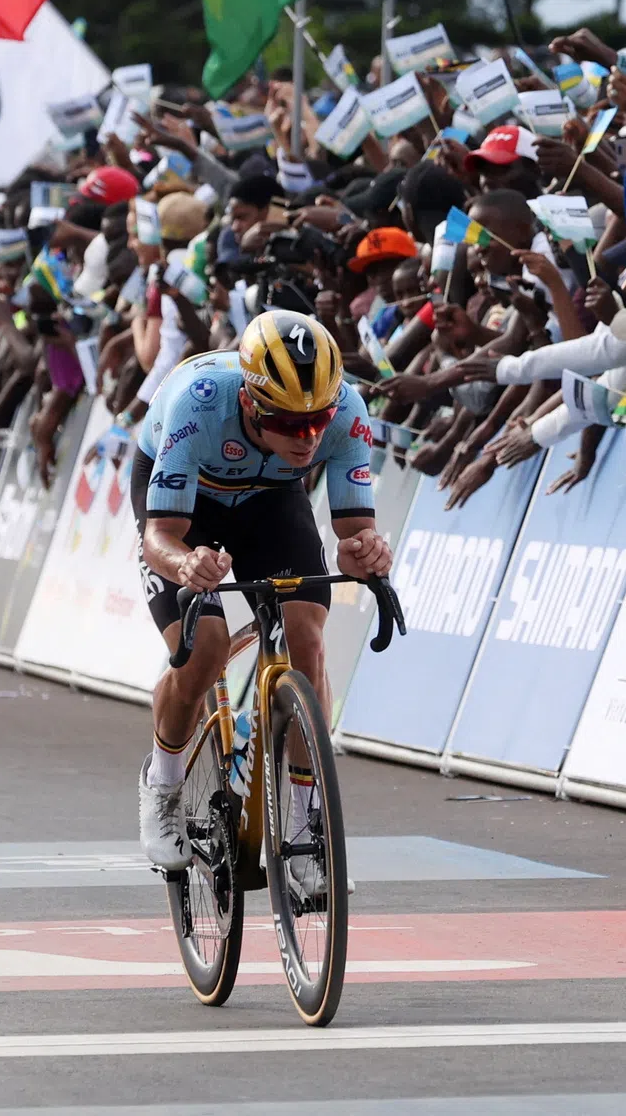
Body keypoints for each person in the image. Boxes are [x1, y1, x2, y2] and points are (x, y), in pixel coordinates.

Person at [132, 309, 392, 895]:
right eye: (288, 423)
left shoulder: (347, 410)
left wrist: (364, 555)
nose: (308, 438)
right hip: (187, 504)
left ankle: (303, 828)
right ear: (250, 403)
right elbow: (160, 538)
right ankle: (164, 785)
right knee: (204, 650)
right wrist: (186, 564)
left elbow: (354, 531)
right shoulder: (198, 403)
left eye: (317, 422)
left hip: (271, 501)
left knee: (308, 638)